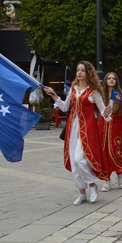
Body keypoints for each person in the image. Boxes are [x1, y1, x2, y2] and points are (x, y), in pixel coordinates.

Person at [44, 61, 111, 205]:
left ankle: (92, 185)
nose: (79, 72)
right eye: (78, 70)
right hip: (73, 128)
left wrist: (106, 112)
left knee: (79, 159)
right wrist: (53, 95)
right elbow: (65, 107)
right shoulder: (73, 89)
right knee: (74, 164)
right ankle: (81, 193)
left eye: (82, 70)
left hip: (87, 129)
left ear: (88, 73)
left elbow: (103, 112)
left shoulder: (93, 91)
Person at [98, 72, 122, 192]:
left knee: (116, 148)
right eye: (109, 78)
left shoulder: (121, 94)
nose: (111, 80)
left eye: (113, 79)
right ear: (105, 80)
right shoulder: (100, 94)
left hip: (116, 124)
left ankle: (120, 173)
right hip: (103, 124)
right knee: (104, 150)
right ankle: (106, 179)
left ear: (116, 81)